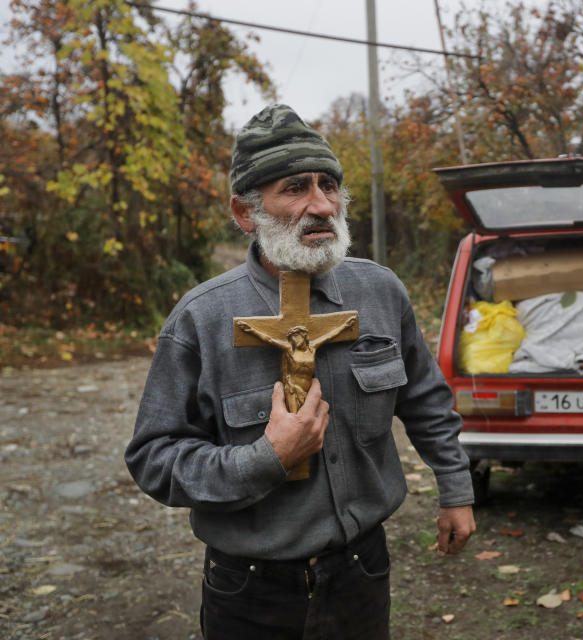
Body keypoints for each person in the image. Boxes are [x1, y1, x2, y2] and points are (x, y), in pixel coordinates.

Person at [125, 104, 476, 640]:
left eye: (329, 185)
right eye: (295, 188)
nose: (321, 205)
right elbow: (154, 459)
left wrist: (455, 487)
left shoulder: (379, 292)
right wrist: (266, 458)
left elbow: (426, 399)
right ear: (246, 213)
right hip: (251, 587)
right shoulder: (201, 318)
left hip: (362, 569)